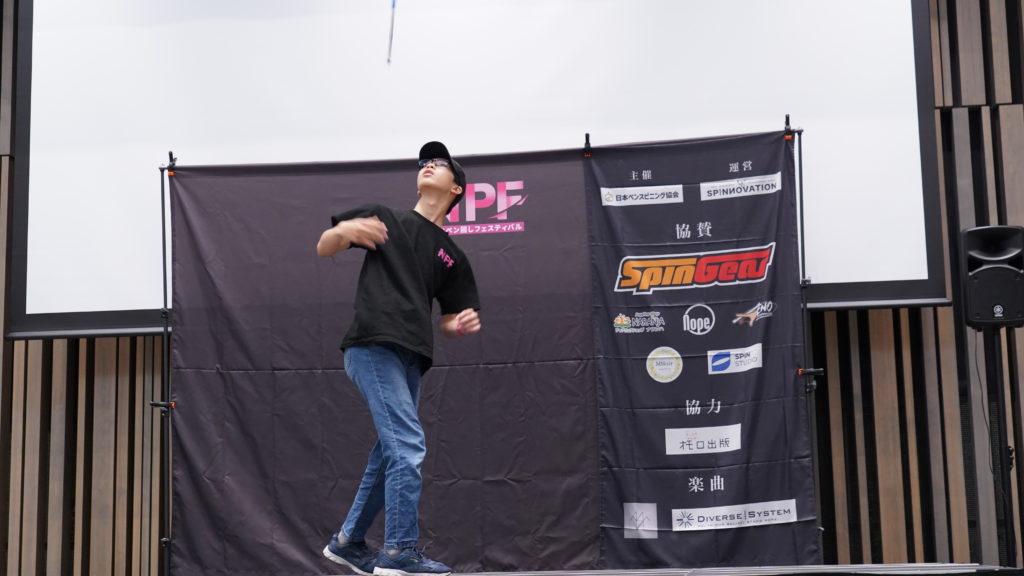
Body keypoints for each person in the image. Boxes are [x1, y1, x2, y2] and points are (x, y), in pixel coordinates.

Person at [317, 141, 481, 576]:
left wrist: (460, 323)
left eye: (439, 163)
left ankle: (348, 542)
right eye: (425, 162)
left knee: (391, 450)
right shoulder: (386, 217)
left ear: (456, 189)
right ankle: (398, 551)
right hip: (372, 346)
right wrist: (345, 233)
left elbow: (450, 318)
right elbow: (325, 245)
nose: (428, 165)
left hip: (412, 357)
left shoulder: (452, 255)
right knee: (407, 445)